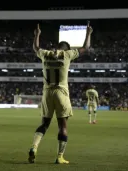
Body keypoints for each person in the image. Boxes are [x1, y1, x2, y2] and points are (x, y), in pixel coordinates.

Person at [28, 22, 93, 164]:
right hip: (61, 93)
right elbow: (86, 48)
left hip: (47, 93)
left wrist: (37, 35)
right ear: (67, 49)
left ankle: (34, 147)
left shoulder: (45, 54)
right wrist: (88, 33)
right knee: (62, 126)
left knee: (44, 124)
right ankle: (59, 157)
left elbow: (35, 48)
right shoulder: (67, 54)